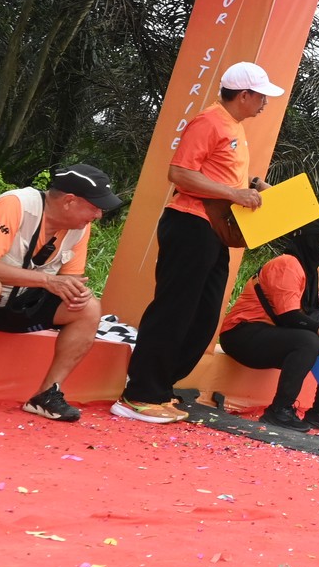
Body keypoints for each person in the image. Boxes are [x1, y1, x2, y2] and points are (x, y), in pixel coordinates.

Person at [113, 61, 281, 423]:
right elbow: (179, 173)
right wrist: (234, 194)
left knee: (203, 317)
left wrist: (253, 187)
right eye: (261, 96)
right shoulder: (210, 120)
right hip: (190, 223)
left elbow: (220, 175)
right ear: (244, 95)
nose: (265, 103)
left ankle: (160, 386)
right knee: (174, 309)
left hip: (213, 230)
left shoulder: (233, 126)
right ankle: (138, 393)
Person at [0, 164, 124, 421]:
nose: (99, 215)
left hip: (13, 303)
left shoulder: (79, 227)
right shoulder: (15, 204)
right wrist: (47, 280)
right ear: (69, 201)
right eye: (95, 207)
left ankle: (46, 395)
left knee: (88, 306)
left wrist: (75, 290)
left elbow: (70, 280)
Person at [215, 217, 319, 433]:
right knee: (308, 340)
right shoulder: (287, 264)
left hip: (274, 336)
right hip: (241, 335)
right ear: (314, 240)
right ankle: (279, 410)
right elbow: (290, 317)